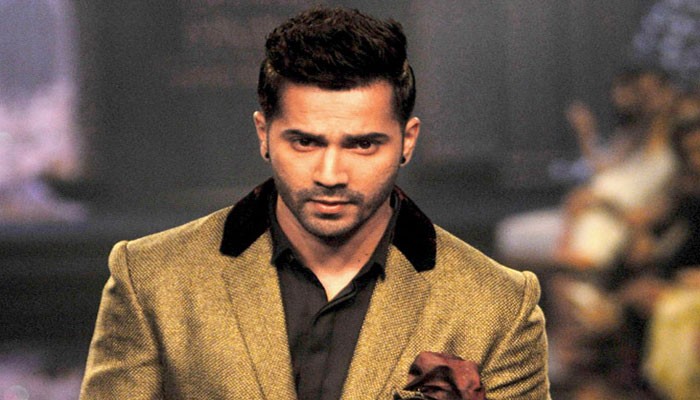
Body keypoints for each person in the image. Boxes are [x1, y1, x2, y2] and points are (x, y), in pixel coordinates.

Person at [79, 7, 550, 400]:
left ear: (407, 141)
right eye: (305, 142)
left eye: (362, 145)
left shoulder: (497, 307)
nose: (330, 175)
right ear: (264, 134)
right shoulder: (151, 281)